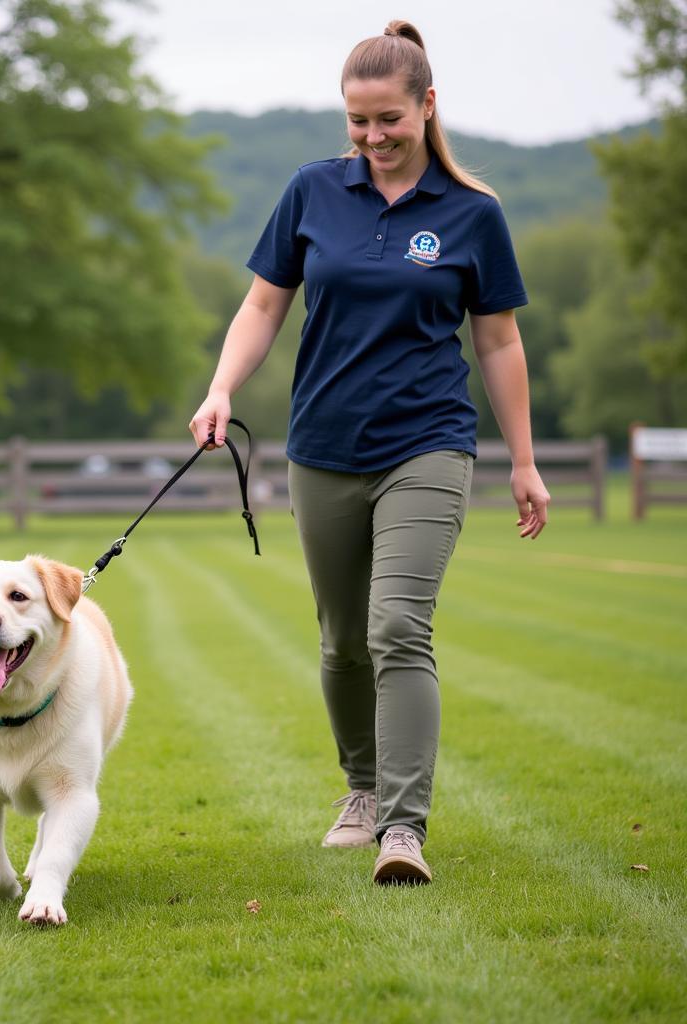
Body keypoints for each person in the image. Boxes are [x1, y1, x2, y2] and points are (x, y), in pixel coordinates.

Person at [189, 20, 550, 885]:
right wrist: (220, 387)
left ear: (427, 107)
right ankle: (360, 790)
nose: (373, 138)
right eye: (357, 121)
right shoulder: (313, 192)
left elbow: (497, 344)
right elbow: (264, 307)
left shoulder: (473, 214)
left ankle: (402, 828)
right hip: (322, 449)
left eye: (388, 119)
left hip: (427, 444)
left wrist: (525, 461)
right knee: (342, 640)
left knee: (397, 627)